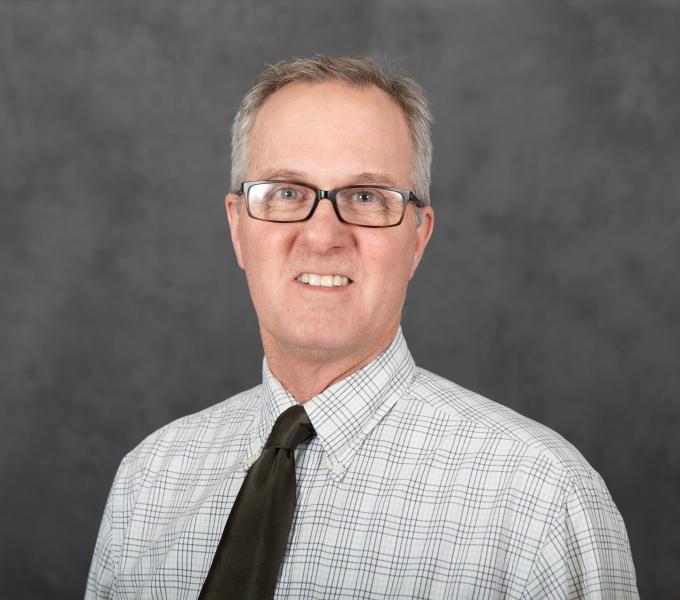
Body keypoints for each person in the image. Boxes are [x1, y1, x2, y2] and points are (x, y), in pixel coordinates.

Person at [85, 55, 638, 599]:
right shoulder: (149, 482)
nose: (323, 235)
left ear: (417, 238)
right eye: (286, 193)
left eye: (366, 197)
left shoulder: (540, 500)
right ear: (237, 227)